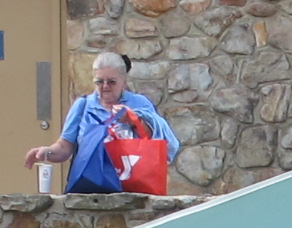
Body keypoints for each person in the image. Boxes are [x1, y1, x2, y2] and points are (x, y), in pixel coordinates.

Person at [22, 52, 176, 193]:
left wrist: (134, 120)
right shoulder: (82, 106)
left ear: (124, 80)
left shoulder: (139, 103)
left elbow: (159, 140)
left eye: (112, 82)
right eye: (99, 81)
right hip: (90, 190)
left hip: (132, 190)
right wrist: (46, 152)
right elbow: (64, 148)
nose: (105, 87)